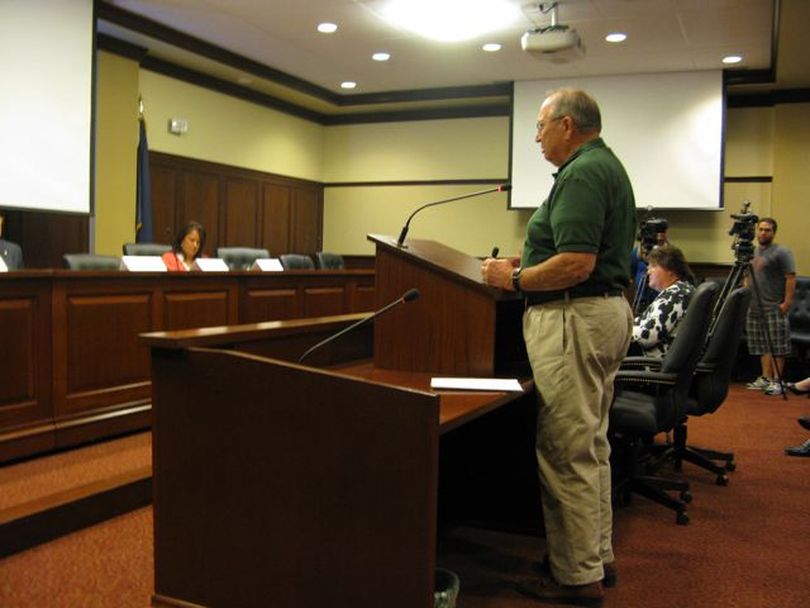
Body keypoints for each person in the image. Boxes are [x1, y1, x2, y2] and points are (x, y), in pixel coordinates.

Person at [481, 88, 635, 607]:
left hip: (574, 315)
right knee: (590, 444)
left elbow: (575, 264)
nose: (536, 136)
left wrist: (515, 277)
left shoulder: (583, 171)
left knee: (566, 449)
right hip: (597, 314)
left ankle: (576, 578)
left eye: (542, 125)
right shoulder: (601, 165)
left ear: (567, 125)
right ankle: (596, 558)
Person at [743, 218, 796, 396]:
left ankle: (777, 380)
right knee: (761, 345)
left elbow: (790, 277)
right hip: (754, 307)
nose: (763, 233)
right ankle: (765, 377)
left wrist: (787, 302)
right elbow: (746, 276)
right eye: (761, 229)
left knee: (777, 346)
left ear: (774, 233)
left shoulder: (781, 252)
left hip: (773, 306)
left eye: (767, 230)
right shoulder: (751, 251)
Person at [629, 245, 695, 358]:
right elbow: (641, 323)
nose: (648, 271)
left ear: (671, 270)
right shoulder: (679, 290)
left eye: (653, 266)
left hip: (652, 364)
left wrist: (618, 333)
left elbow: (646, 336)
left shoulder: (676, 294)